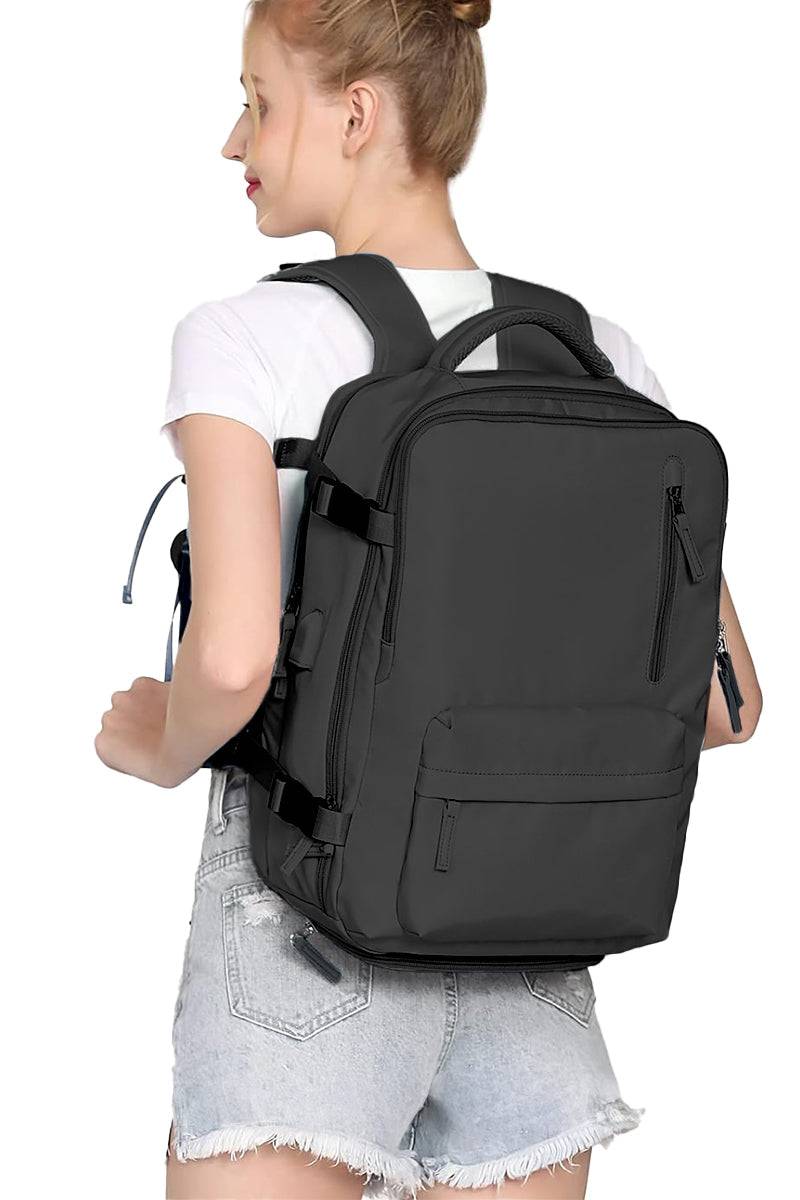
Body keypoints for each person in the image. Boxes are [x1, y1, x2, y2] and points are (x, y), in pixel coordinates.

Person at [95, 2, 763, 1197]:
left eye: (257, 101)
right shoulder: (597, 358)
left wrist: (155, 743)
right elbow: (723, 705)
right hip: (532, 954)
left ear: (355, 114)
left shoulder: (243, 338)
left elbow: (234, 661)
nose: (233, 140)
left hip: (304, 935)